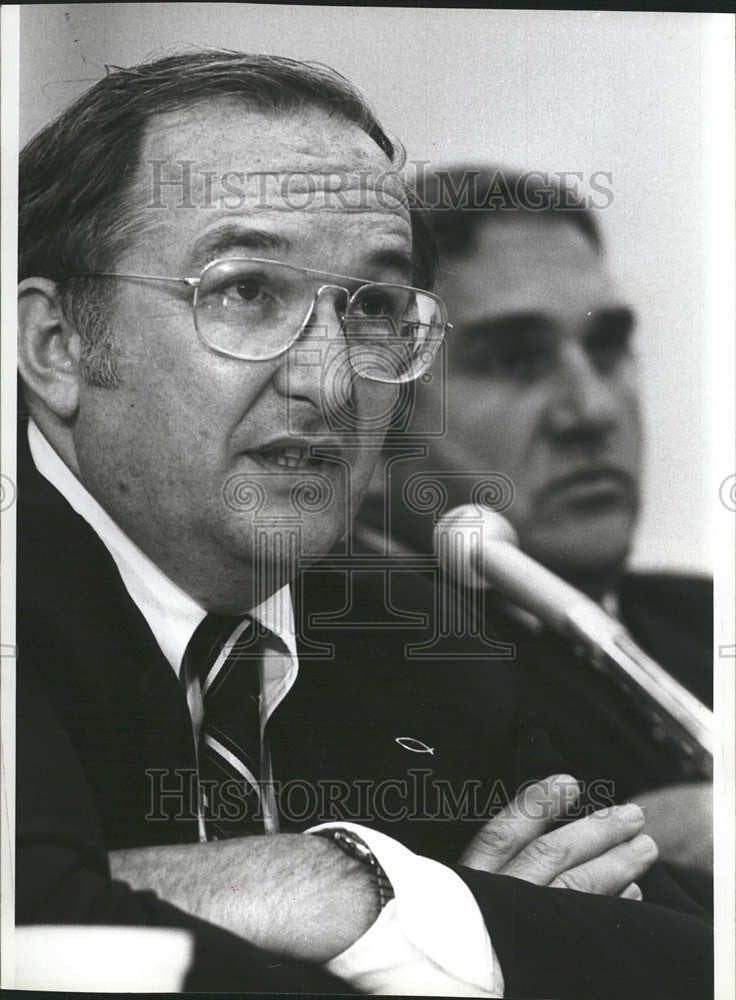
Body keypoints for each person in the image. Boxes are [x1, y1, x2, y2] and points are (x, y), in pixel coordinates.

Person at [16, 54, 711, 996]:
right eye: (247, 292)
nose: (331, 378)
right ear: (57, 347)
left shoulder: (421, 632)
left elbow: (689, 958)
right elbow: (35, 934)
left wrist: (381, 902)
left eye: (376, 309)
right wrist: (406, 907)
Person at [356, 163, 712, 895]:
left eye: (606, 347)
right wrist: (658, 834)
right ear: (374, 416)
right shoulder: (356, 666)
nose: (591, 411)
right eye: (515, 360)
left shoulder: (705, 619)